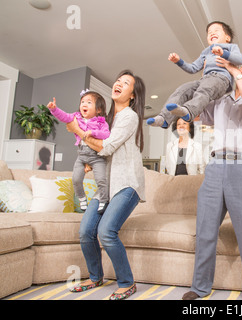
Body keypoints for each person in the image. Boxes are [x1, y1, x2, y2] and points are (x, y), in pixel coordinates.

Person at [182, 57, 242, 300]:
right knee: (205, 229)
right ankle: (200, 287)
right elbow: (195, 115)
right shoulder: (221, 101)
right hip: (216, 166)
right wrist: (207, 80)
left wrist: (234, 71)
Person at [66, 70, 146, 300]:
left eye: (126, 83)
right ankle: (95, 277)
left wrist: (78, 131)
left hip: (126, 183)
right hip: (106, 186)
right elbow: (97, 150)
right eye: (118, 80)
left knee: (106, 231)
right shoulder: (106, 119)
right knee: (85, 231)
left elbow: (107, 147)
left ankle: (126, 283)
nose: (118, 84)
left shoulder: (130, 116)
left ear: (133, 95)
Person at [147, 21, 242, 128]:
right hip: (205, 79)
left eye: (216, 30)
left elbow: (240, 60)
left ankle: (190, 111)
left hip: (221, 79)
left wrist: (223, 53)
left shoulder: (230, 47)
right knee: (182, 89)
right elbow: (193, 68)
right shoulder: (206, 52)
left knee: (205, 89)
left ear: (227, 38)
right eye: (209, 32)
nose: (212, 33)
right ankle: (164, 118)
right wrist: (179, 61)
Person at [46, 91, 110, 213]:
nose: (84, 104)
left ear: (98, 110)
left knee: (101, 179)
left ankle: (103, 200)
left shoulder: (101, 122)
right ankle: (82, 198)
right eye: (82, 102)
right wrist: (54, 109)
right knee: (76, 179)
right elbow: (64, 116)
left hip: (97, 158)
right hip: (81, 156)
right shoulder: (76, 117)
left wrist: (93, 132)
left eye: (89, 102)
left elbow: (107, 134)